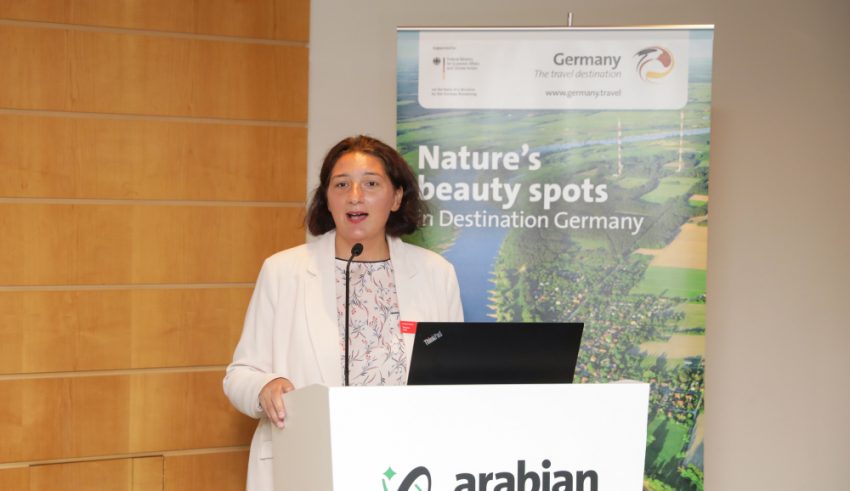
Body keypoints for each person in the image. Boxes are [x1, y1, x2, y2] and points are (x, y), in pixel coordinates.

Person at [223, 135, 464, 490]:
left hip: (406, 465)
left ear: (397, 197)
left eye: (371, 184)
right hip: (309, 463)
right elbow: (239, 374)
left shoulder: (435, 273)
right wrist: (264, 386)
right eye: (341, 184)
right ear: (327, 198)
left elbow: (455, 381)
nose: (355, 196)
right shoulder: (283, 271)